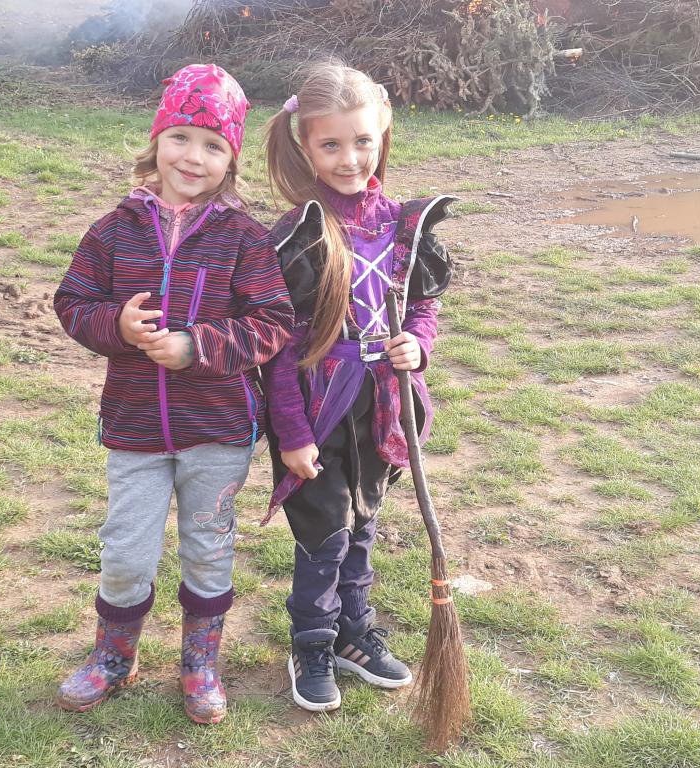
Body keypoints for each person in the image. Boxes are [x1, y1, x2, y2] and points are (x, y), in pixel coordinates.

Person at [52, 63, 293, 724]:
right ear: (157, 140)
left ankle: (199, 663)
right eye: (181, 137)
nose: (193, 156)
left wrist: (198, 347)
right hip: (134, 428)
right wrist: (117, 327)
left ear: (231, 160)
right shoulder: (113, 230)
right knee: (125, 550)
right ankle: (113, 656)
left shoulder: (245, 238)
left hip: (217, 430)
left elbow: (273, 323)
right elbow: (72, 302)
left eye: (213, 145)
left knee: (208, 549)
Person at [262, 63, 453, 712]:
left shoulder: (401, 225)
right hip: (318, 403)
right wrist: (291, 433)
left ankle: (354, 632)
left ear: (384, 132)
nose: (349, 158)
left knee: (364, 517)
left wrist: (417, 344)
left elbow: (421, 305)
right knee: (325, 527)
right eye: (331, 145)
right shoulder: (300, 235)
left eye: (362, 141)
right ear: (305, 145)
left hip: (383, 402)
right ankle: (312, 642)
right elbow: (280, 348)